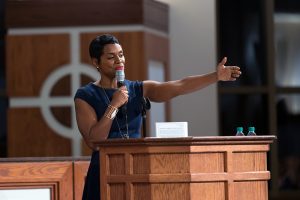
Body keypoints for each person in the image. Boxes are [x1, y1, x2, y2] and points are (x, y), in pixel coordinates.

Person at [74, 34, 241, 199]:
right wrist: (114, 105)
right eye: (111, 57)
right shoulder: (86, 95)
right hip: (104, 170)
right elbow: (94, 142)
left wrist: (215, 76)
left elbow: (179, 85)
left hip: (135, 169)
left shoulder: (137, 89)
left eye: (121, 54)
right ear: (96, 62)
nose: (119, 61)